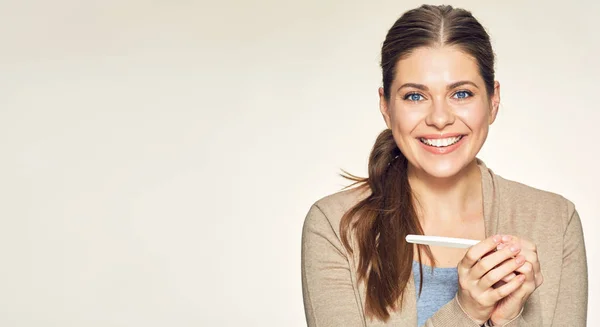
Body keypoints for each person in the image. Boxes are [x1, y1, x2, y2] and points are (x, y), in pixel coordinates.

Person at [300, 4, 588, 327]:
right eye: (414, 97)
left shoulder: (556, 223)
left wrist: (508, 319)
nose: (439, 119)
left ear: (493, 101)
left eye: (461, 93)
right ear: (385, 106)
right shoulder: (336, 228)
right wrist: (465, 313)